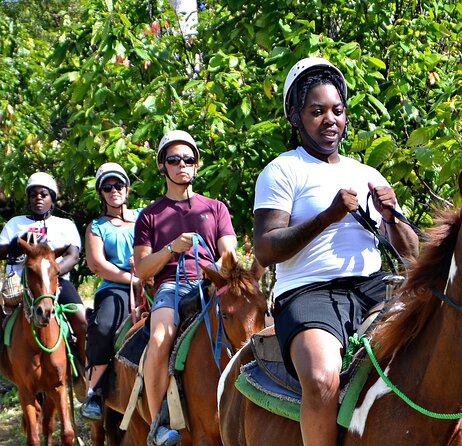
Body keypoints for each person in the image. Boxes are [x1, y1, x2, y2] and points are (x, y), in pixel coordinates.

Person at [252, 57, 420, 446]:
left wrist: (392, 218)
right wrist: (326, 217)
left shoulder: (368, 174)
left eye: (338, 110)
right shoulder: (282, 171)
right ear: (295, 116)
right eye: (317, 111)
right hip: (310, 293)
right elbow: (266, 246)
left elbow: (412, 253)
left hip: (376, 288)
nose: (330, 120)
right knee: (323, 377)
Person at [133, 129, 238, 446]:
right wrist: (170, 249)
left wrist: (217, 269)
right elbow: (142, 268)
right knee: (160, 337)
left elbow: (230, 254)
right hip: (171, 287)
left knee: (256, 324)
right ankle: (158, 425)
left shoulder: (215, 207)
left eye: (188, 159)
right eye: (174, 159)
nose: (182, 165)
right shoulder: (150, 215)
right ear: (162, 166)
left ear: (197, 164)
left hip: (212, 283)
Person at [0, 172, 88, 396]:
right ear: (29, 199)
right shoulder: (15, 224)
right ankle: (10, 368)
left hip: (53, 285)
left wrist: (53, 275)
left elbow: (73, 254)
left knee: (82, 321)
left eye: (44, 194)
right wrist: (13, 245)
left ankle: (83, 371)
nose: (38, 198)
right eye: (34, 194)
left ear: (52, 198)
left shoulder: (64, 224)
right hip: (18, 286)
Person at [80, 162, 143, 420]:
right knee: (104, 326)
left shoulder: (143, 216)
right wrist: (131, 278)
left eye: (118, 184)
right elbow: (97, 264)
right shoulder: (97, 227)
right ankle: (94, 391)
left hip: (151, 280)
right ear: (101, 193)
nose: (114, 190)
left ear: (127, 188)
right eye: (107, 187)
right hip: (116, 287)